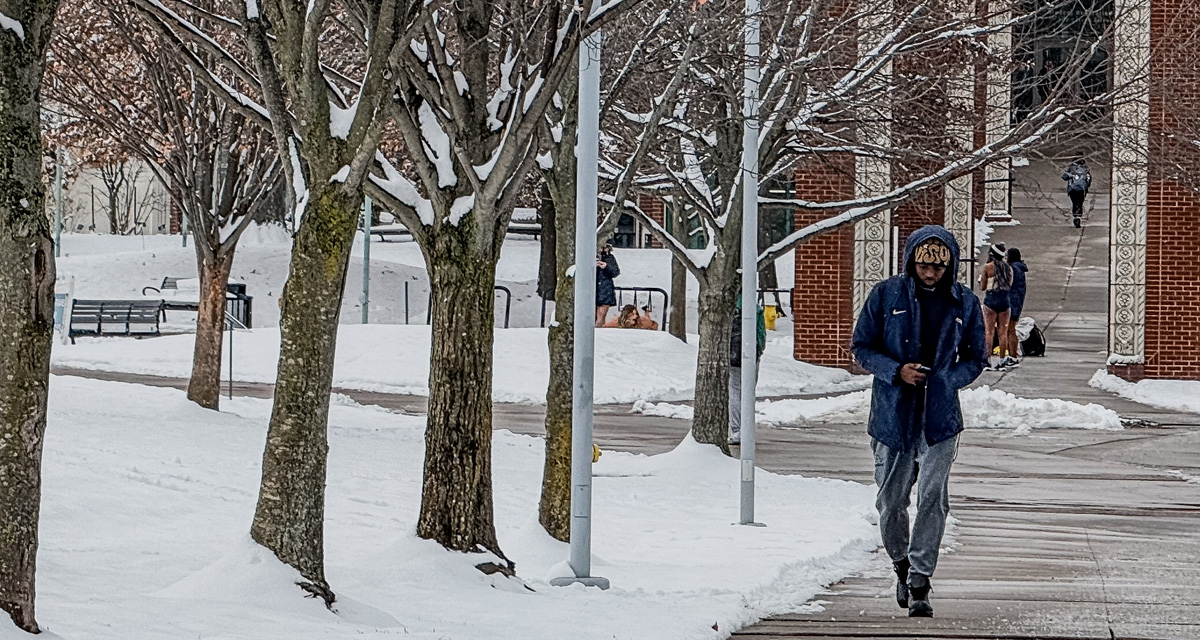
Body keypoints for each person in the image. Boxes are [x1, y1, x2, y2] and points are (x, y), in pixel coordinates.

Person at [851, 226, 987, 618]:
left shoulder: (964, 302)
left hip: (940, 418)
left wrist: (947, 379)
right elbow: (862, 347)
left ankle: (920, 580)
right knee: (891, 501)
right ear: (911, 261)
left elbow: (976, 356)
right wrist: (896, 371)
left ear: (950, 266)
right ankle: (901, 564)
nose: (930, 273)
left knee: (932, 496)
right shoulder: (886, 295)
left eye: (938, 267)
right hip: (892, 415)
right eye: (924, 265)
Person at [728, 297, 766, 446]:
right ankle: (747, 429)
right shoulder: (755, 308)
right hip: (750, 354)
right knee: (748, 392)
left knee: (734, 391)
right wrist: (759, 351)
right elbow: (761, 334)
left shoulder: (728, 306)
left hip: (732, 354)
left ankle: (736, 430)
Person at [979, 244, 1017, 370]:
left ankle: (987, 360)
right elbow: (1009, 285)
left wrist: (982, 282)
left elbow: (983, 287)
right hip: (1004, 301)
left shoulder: (987, 268)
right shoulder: (1009, 268)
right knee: (1003, 333)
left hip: (990, 300)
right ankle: (1001, 360)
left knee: (989, 332)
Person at [1005, 247, 1029, 359]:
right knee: (1011, 329)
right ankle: (1012, 352)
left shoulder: (1012, 269)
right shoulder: (1020, 268)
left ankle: (1012, 353)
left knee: (1009, 330)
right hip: (1017, 301)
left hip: (1010, 301)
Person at [595, 242, 620, 326]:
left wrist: (606, 267)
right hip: (593, 289)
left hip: (605, 290)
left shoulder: (609, 258)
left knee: (601, 316)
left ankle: (598, 330)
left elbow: (615, 272)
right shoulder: (588, 256)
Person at [1061, 158, 1092, 228]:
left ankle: (1076, 216)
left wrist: (1070, 175)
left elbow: (1064, 177)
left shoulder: (1071, 168)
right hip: (1082, 189)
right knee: (1079, 203)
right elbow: (1089, 179)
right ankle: (1078, 216)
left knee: (1074, 202)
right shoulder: (1085, 169)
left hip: (1072, 188)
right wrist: (1086, 186)